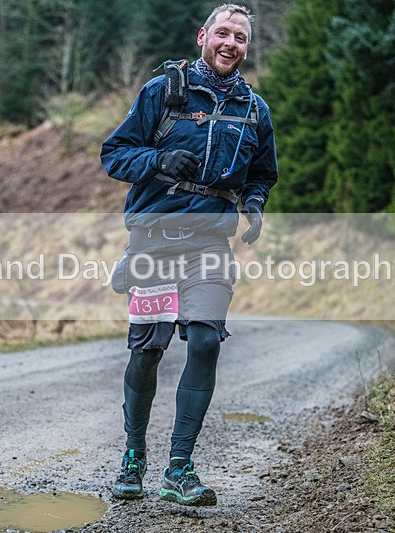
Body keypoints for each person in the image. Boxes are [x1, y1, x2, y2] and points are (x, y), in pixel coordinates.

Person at [100, 3, 278, 506]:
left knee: (205, 342)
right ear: (203, 35)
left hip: (210, 246)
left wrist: (256, 205)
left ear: (246, 47)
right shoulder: (164, 91)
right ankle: (133, 458)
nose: (230, 44)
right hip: (155, 243)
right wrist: (156, 158)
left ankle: (179, 469)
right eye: (223, 32)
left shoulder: (254, 108)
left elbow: (262, 173)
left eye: (240, 38)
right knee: (148, 349)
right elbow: (113, 154)